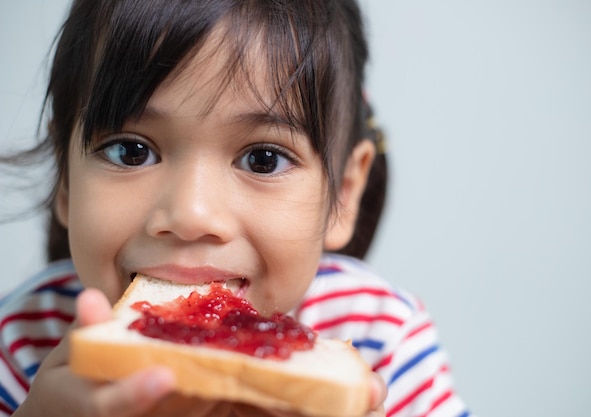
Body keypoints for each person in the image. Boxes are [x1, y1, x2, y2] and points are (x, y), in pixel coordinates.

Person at [0, 1, 472, 416]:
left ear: (343, 194)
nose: (191, 215)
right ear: (65, 176)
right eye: (131, 151)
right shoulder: (19, 341)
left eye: (262, 159)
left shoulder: (384, 339)